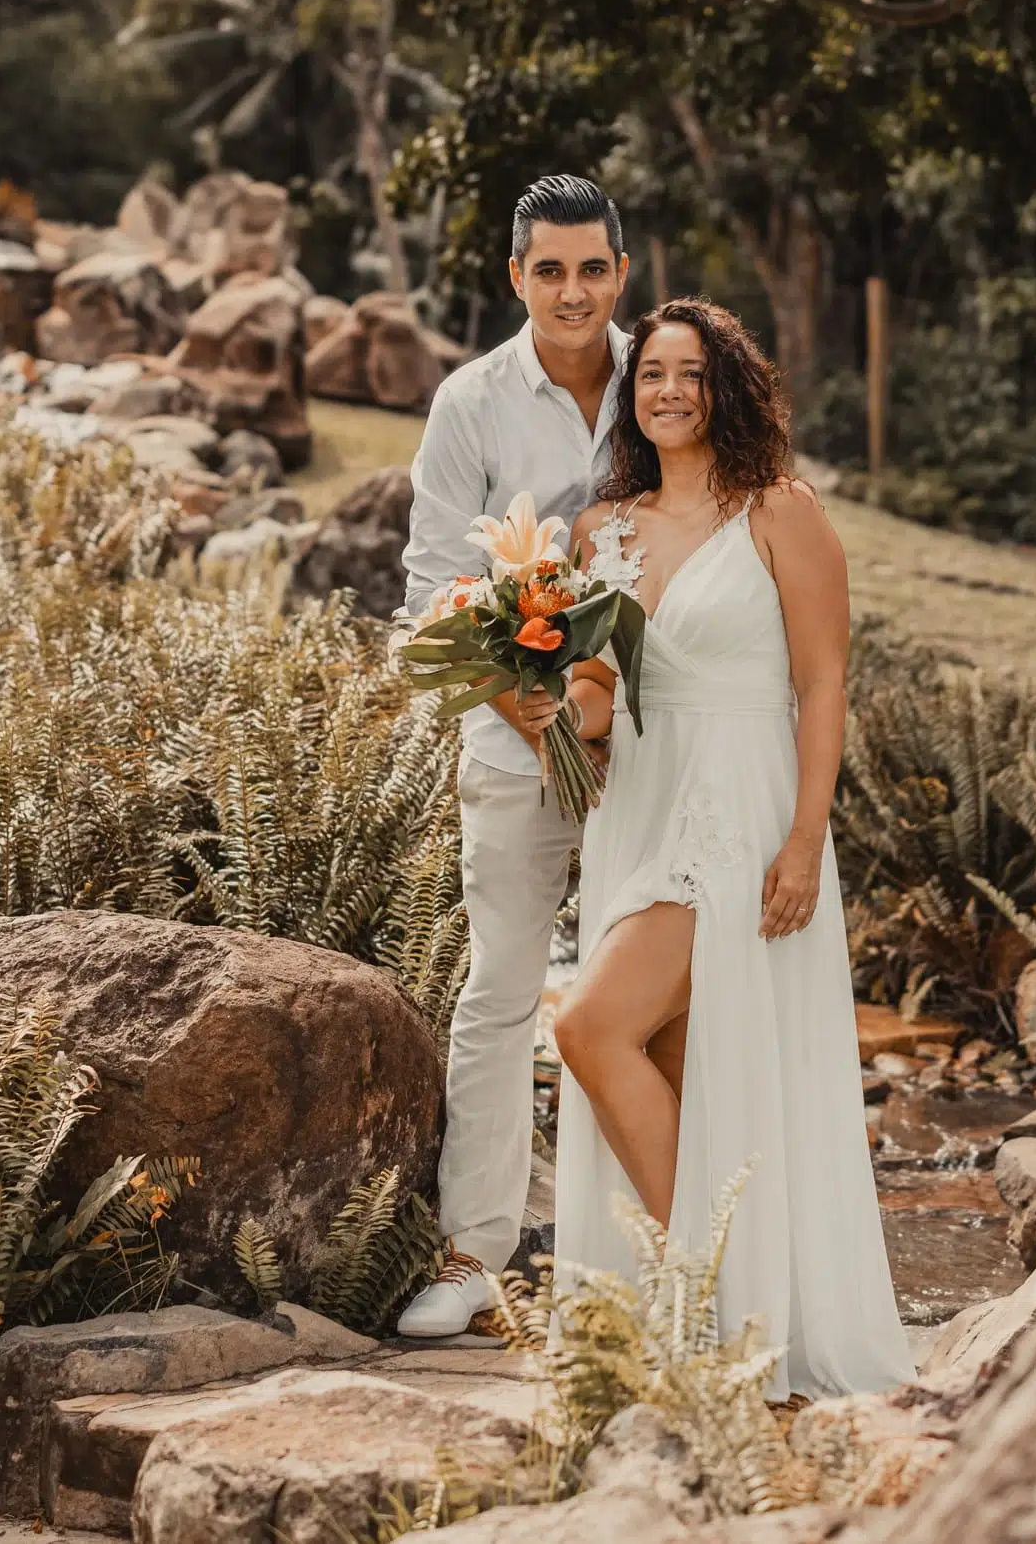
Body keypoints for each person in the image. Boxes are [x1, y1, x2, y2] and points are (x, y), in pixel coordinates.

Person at [551, 296, 914, 1400]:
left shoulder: (779, 512)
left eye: (691, 374)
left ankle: (706, 1296)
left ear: (727, 389)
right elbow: (599, 701)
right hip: (642, 805)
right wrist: (538, 697)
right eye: (651, 373)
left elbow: (821, 681)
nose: (668, 391)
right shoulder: (601, 530)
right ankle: (716, 1320)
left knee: (588, 1027)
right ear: (631, 393)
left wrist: (805, 838)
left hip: (742, 805)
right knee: (667, 1061)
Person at [393, 174, 631, 1338]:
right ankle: (472, 1256)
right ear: (516, 279)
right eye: (550, 270)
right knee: (498, 992)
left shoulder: (671, 381)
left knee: (642, 995)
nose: (572, 291)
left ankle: (633, 1254)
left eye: (592, 269)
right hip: (509, 740)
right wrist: (523, 701)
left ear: (620, 274)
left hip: (654, 741)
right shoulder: (470, 402)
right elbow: (431, 587)